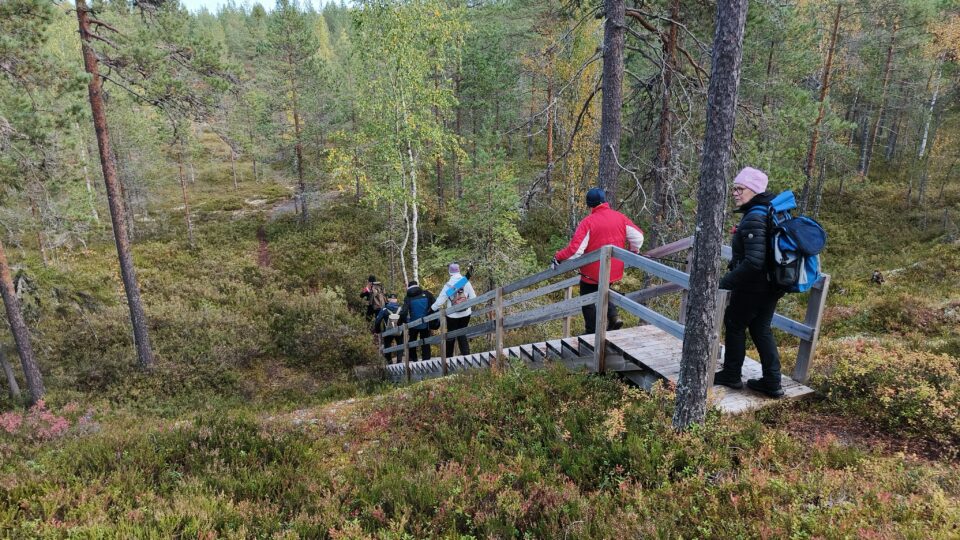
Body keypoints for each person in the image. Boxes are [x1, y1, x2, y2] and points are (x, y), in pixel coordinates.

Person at [714, 167, 785, 398]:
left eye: (740, 189)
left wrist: (726, 281)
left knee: (734, 323)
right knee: (760, 328)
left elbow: (754, 262)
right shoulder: (767, 211)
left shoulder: (755, 216)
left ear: (754, 190)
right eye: (734, 189)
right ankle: (772, 382)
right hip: (772, 284)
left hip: (754, 286)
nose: (735, 193)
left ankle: (731, 374)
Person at [552, 188, 645, 335]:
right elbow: (638, 237)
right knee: (605, 288)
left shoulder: (588, 222)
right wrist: (634, 251)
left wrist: (558, 257)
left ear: (589, 204)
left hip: (592, 272)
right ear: (604, 201)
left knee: (587, 300)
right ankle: (613, 317)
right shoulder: (620, 217)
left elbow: (575, 250)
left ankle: (591, 332)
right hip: (613, 268)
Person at [432, 263, 477, 357]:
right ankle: (466, 355)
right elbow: (473, 297)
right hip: (466, 313)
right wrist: (467, 306)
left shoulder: (448, 285)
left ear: (450, 272)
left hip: (452, 315)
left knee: (451, 335)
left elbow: (440, 301)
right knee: (462, 333)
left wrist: (431, 309)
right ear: (459, 270)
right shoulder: (466, 281)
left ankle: (448, 357)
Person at [400, 280, 436, 362]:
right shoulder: (427, 294)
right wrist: (430, 316)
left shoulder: (408, 297)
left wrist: (405, 321)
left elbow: (404, 312)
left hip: (413, 324)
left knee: (412, 341)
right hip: (425, 322)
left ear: (409, 287)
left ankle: (414, 359)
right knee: (425, 340)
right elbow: (435, 305)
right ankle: (426, 359)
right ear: (417, 285)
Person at [372, 293, 402, 363]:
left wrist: (378, 330)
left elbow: (377, 321)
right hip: (399, 330)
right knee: (400, 344)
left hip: (388, 331)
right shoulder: (401, 308)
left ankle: (389, 361)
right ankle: (399, 361)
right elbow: (406, 319)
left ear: (388, 299)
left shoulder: (384, 309)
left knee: (387, 345)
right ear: (396, 300)